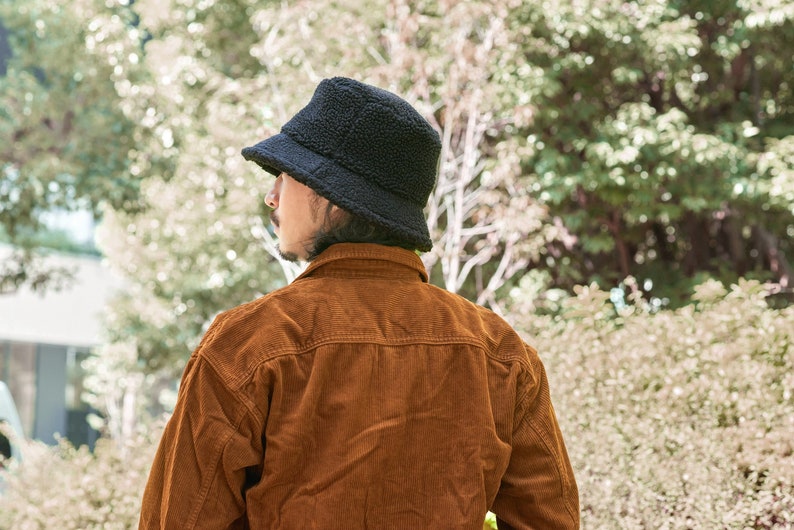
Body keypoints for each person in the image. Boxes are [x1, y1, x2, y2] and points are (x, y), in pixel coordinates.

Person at [139, 77, 579, 529]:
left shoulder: (248, 344)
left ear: (326, 194)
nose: (271, 196)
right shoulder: (499, 352)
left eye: (284, 177)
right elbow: (550, 520)